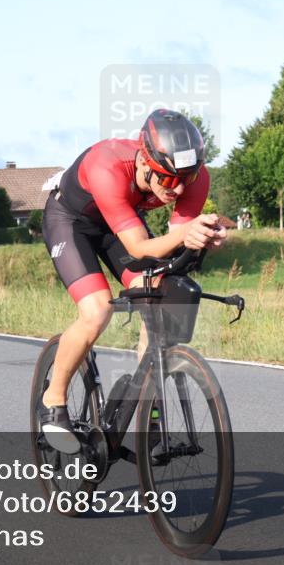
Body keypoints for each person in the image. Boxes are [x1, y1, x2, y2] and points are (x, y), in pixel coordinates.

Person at [39, 109, 227, 453]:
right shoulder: (107, 167)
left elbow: (175, 241)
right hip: (70, 220)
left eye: (188, 176)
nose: (180, 187)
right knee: (97, 311)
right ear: (144, 162)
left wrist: (203, 240)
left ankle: (147, 419)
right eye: (169, 179)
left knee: (156, 297)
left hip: (120, 223)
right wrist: (187, 233)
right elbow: (139, 246)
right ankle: (53, 400)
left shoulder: (193, 178)